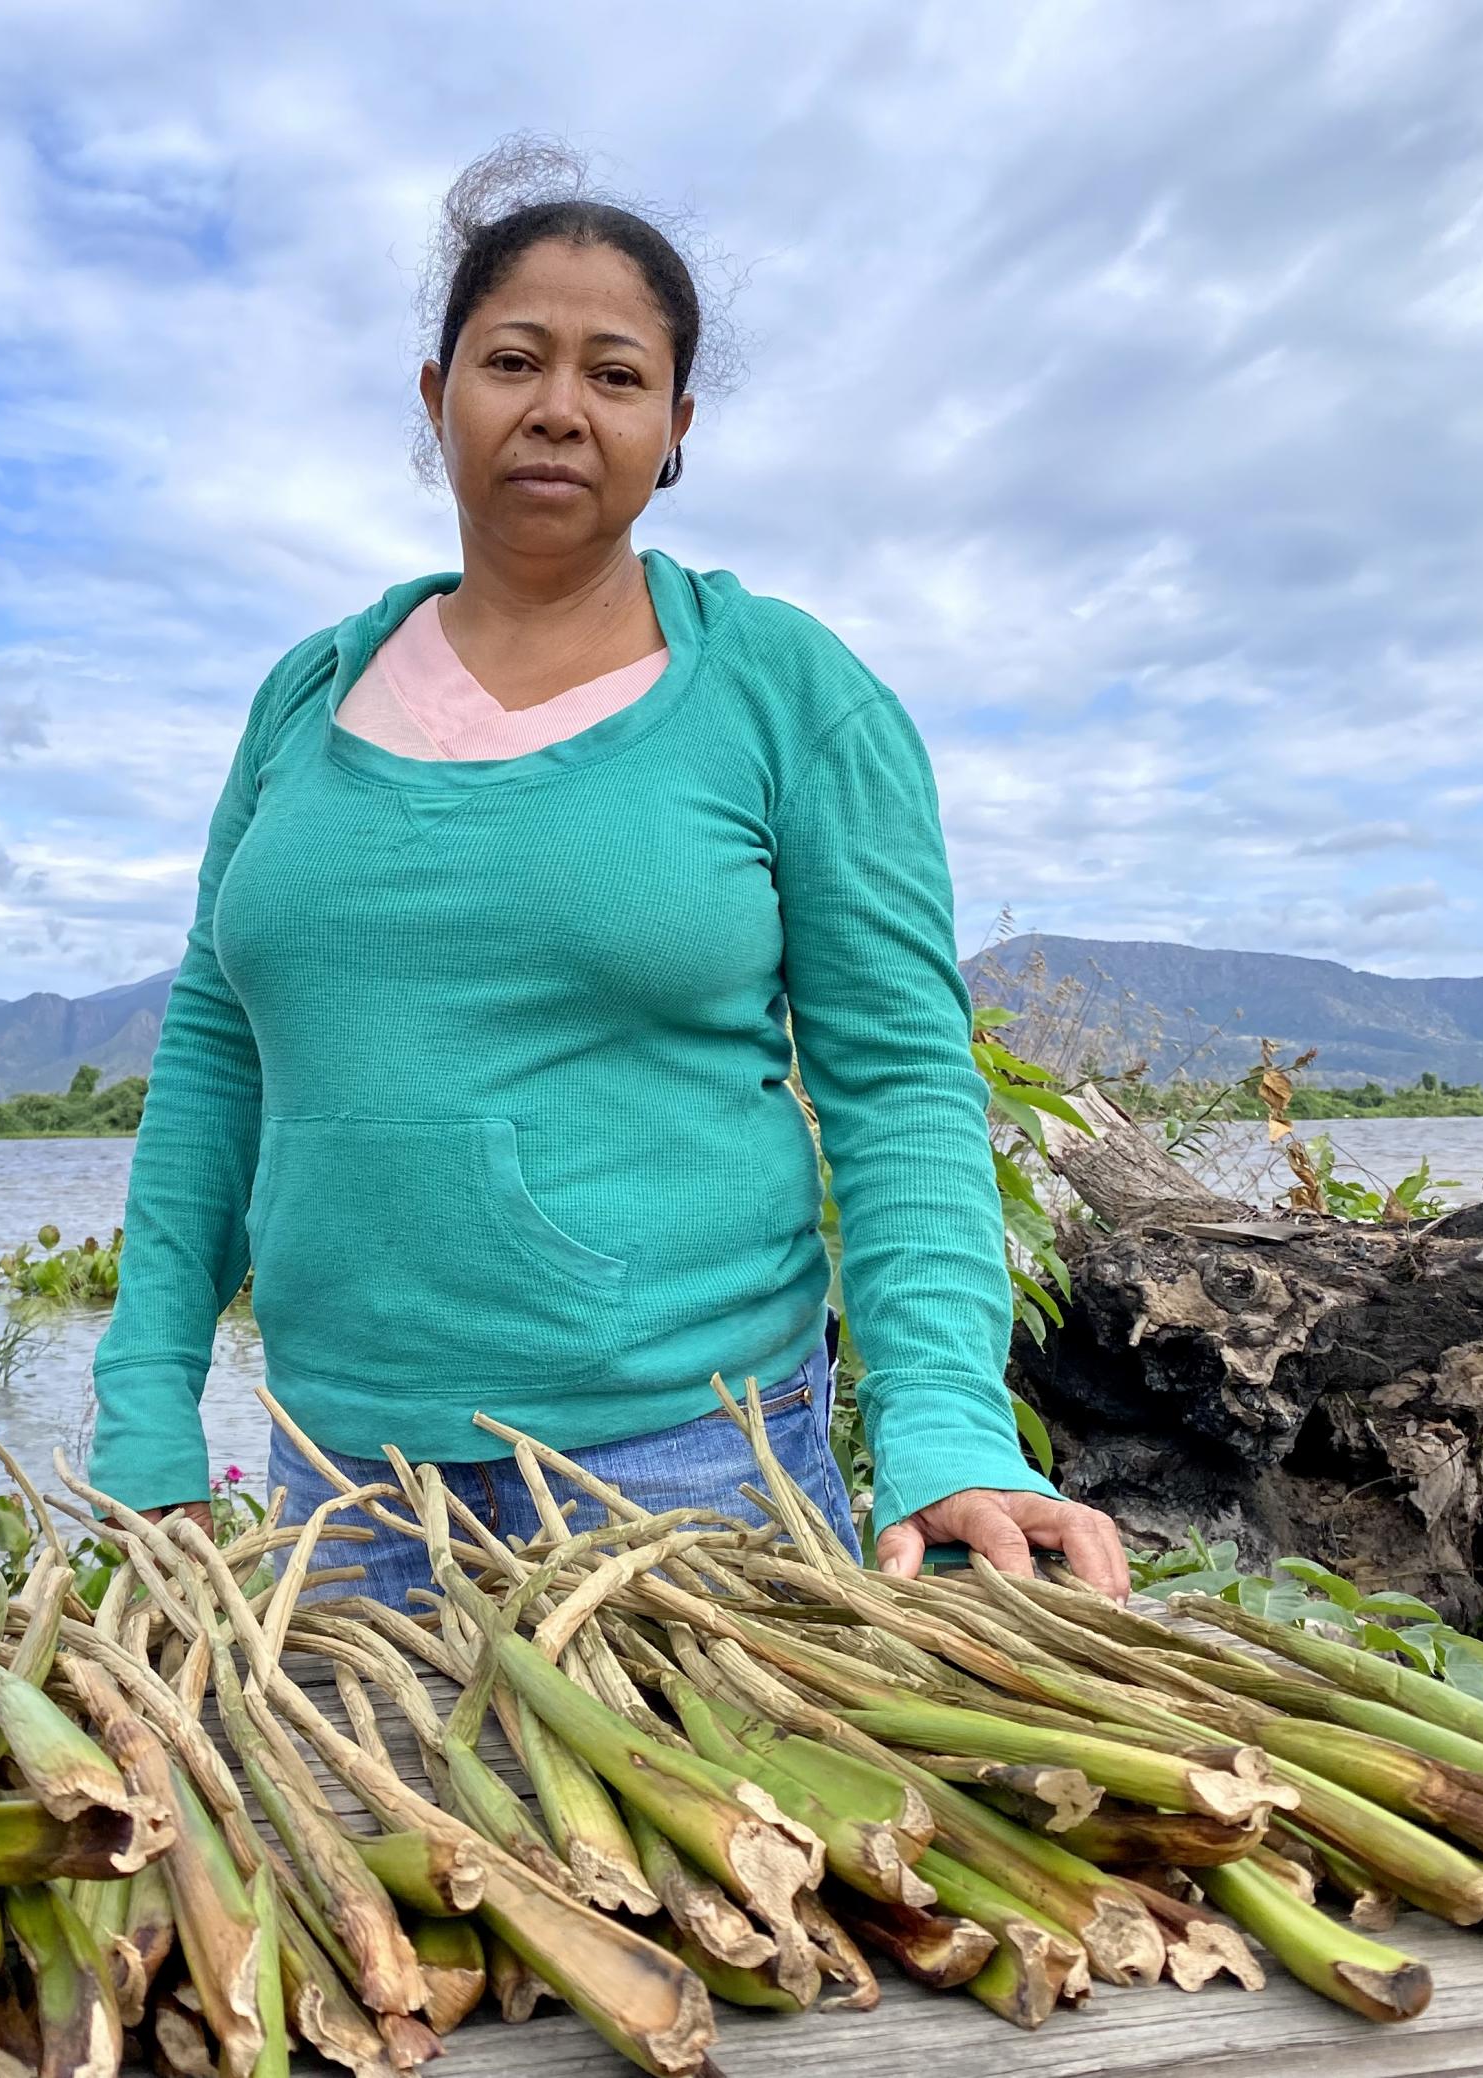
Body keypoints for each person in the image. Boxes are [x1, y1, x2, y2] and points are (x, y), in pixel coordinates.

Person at [86, 147, 1130, 1605]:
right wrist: (145, 1412)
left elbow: (899, 1083)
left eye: (618, 374)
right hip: (336, 1490)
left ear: (678, 426)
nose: (560, 406)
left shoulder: (788, 695)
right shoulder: (302, 701)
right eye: (513, 358)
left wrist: (946, 1424)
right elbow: (213, 1063)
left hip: (683, 1475)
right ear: (436, 392)